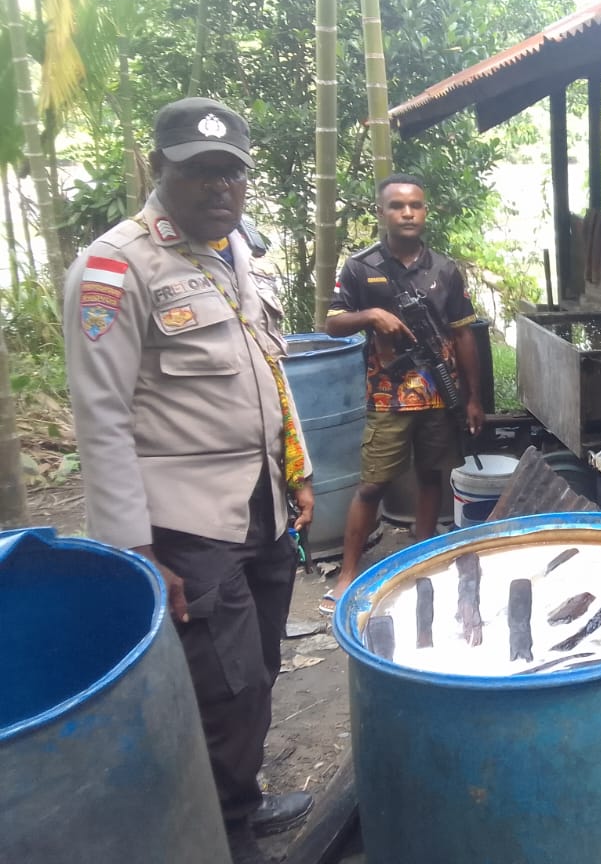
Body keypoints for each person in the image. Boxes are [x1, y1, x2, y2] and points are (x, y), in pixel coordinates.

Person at [64, 97, 318, 864]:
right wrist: (135, 550)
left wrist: (297, 467)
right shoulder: (115, 268)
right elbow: (100, 418)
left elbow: (266, 365)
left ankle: (239, 798)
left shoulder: (234, 250)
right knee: (225, 688)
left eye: (231, 174)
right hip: (186, 522)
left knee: (261, 668)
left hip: (261, 503)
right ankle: (223, 837)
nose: (219, 189)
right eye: (200, 173)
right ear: (159, 169)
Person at [323, 173, 485, 610]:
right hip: (388, 395)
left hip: (440, 393)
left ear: (425, 211)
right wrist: (372, 314)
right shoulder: (361, 267)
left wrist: (472, 397)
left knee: (432, 477)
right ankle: (348, 572)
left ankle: (422, 554)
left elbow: (464, 334)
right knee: (372, 485)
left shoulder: (445, 269)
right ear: (382, 212)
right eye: (397, 206)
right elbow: (332, 322)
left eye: (415, 205)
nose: (407, 212)